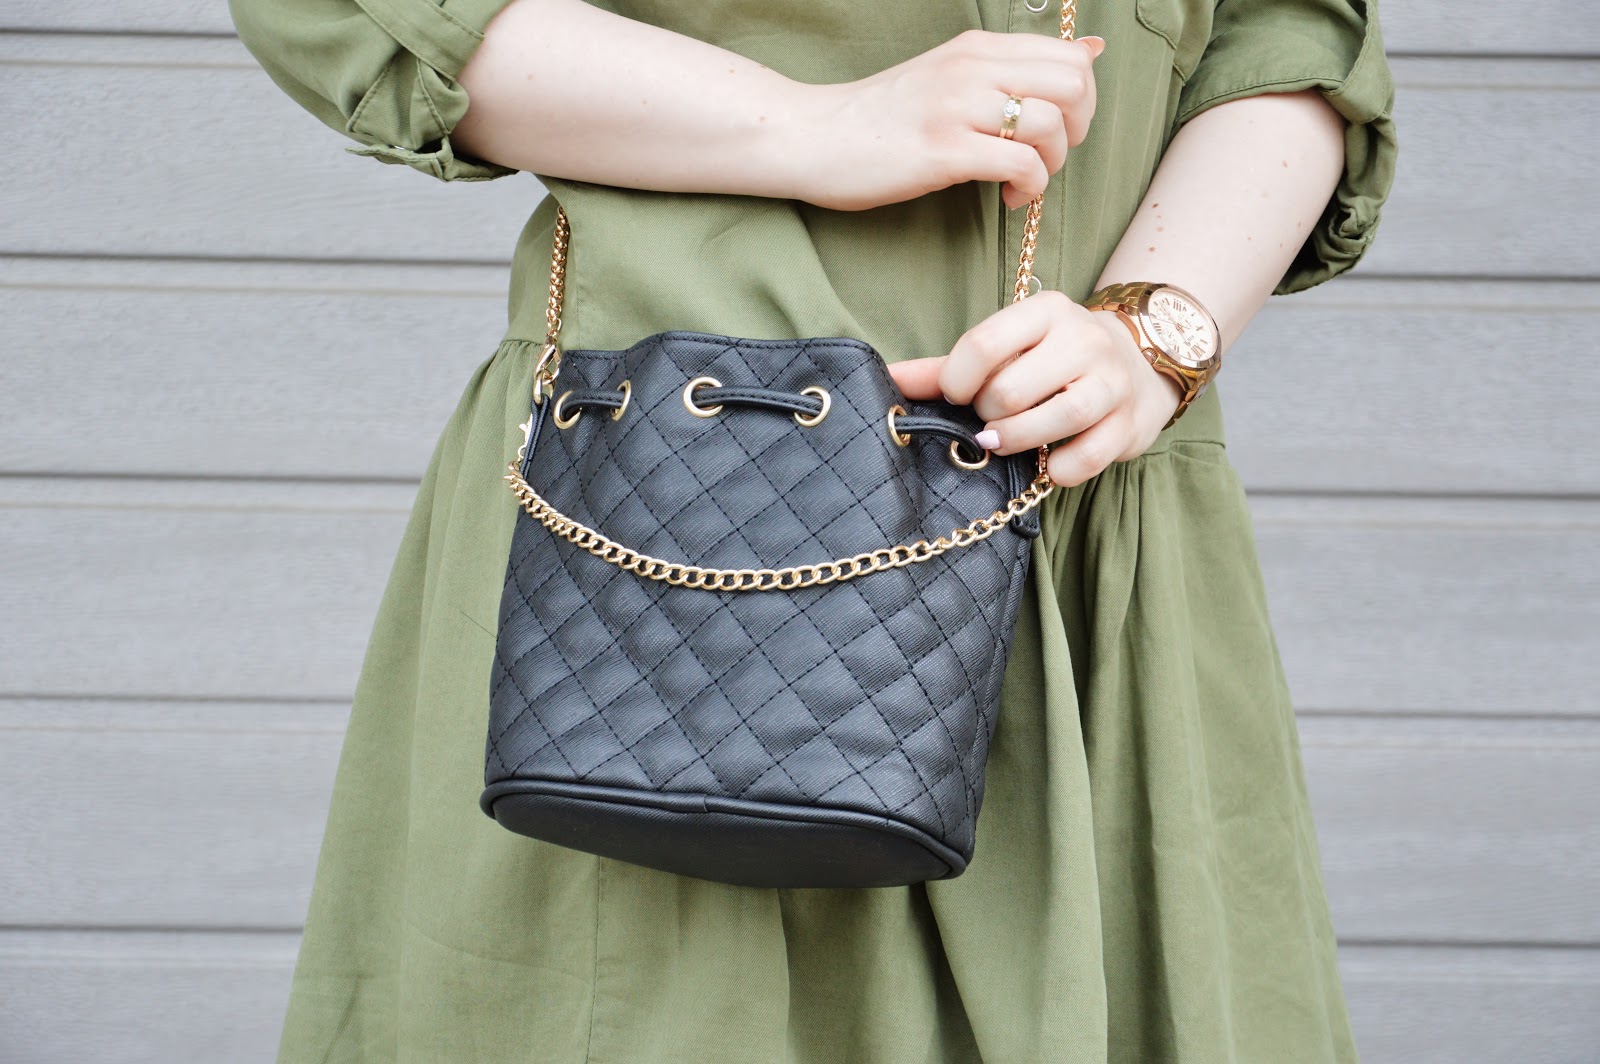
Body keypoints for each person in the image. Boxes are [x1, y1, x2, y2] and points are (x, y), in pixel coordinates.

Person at [228, 0, 1397, 1060]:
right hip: (672, 530)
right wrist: (812, 125)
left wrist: (1154, 332)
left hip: (1088, 496)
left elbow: (1285, 36)